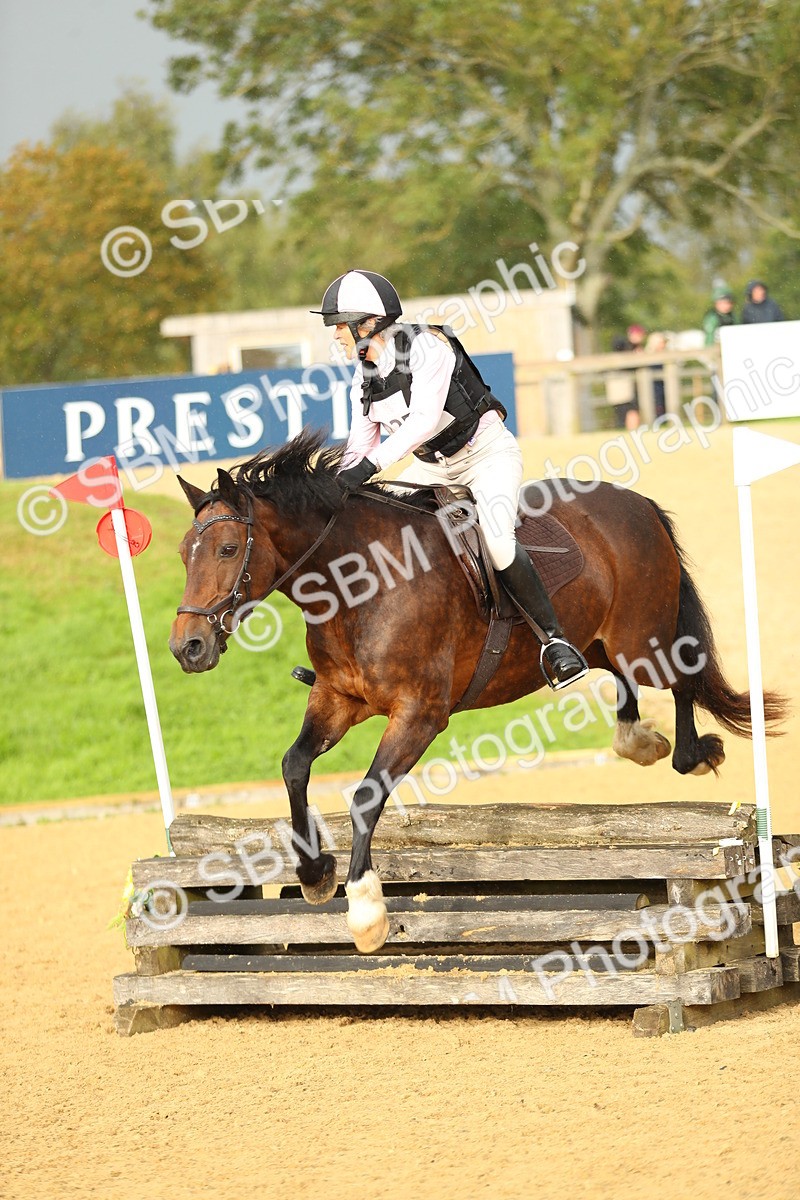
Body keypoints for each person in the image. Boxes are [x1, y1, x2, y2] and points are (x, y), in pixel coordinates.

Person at [311, 268, 588, 690]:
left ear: (366, 323)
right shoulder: (363, 375)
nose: (336, 337)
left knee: (497, 540)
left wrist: (370, 467)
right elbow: (360, 442)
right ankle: (358, 657)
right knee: (380, 526)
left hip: (485, 455)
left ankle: (555, 642)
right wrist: (342, 482)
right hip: (433, 466)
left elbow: (422, 421)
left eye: (338, 327)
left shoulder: (426, 347)